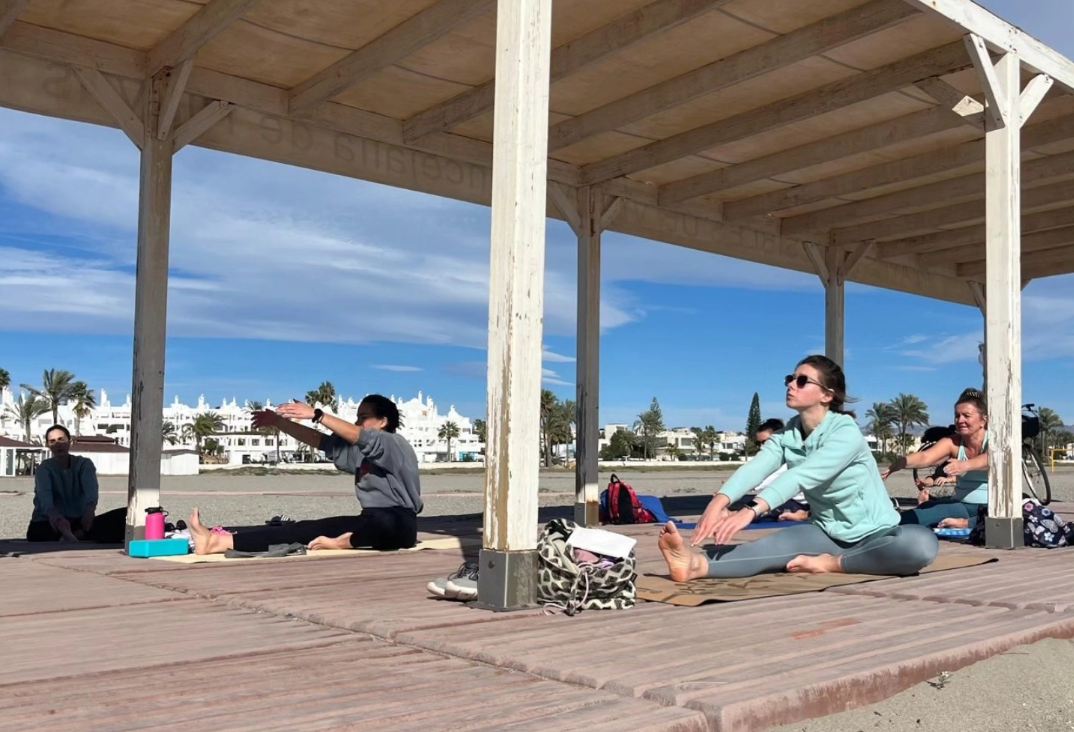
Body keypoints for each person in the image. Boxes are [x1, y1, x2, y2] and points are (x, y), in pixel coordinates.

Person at [658, 355, 938, 580]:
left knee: (921, 544)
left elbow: (803, 475)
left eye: (802, 381)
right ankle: (694, 565)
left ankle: (832, 564)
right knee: (769, 547)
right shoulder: (788, 435)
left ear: (826, 395)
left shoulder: (846, 432)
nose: (791, 384)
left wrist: (751, 510)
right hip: (827, 532)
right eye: (790, 379)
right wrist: (718, 502)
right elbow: (756, 468)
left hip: (877, 534)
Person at [188, 394, 422, 554]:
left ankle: (343, 542)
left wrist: (318, 415)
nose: (357, 422)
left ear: (383, 421)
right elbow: (321, 441)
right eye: (357, 417)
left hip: (399, 522)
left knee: (386, 523)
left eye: (364, 417)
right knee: (303, 529)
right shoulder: (359, 452)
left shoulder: (394, 443)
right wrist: (280, 423)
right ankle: (217, 541)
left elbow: (361, 437)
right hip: (368, 521)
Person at [884, 388, 988, 530]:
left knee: (1006, 519)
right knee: (918, 514)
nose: (960, 420)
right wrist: (900, 463)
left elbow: (992, 459)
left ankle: (966, 524)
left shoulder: (995, 440)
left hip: (993, 508)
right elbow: (925, 456)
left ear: (983, 420)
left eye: (966, 415)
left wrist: (964, 465)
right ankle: (879, 528)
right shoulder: (953, 442)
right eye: (957, 416)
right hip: (962, 505)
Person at [26, 425, 126, 543]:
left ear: (70, 441)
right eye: (52, 441)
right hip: (49, 523)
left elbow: (91, 492)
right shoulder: (44, 468)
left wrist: (89, 511)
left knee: (125, 515)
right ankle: (75, 535)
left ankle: (76, 534)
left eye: (61, 439)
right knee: (37, 533)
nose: (58, 444)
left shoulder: (84, 464)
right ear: (48, 445)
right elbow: (45, 498)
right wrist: (57, 519)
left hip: (79, 522)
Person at [753, 418, 809, 522]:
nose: (761, 447)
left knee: (753, 506)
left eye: (765, 442)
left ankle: (803, 514)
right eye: (758, 443)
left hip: (798, 503)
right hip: (788, 500)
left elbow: (757, 485)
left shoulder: (786, 462)